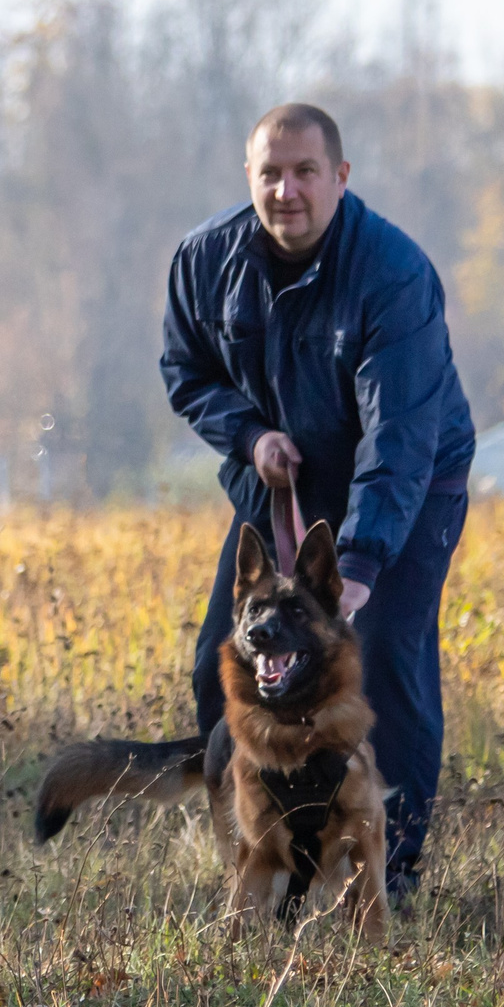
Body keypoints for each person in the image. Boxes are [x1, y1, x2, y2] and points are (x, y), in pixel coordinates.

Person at [160, 102, 474, 905]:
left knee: (379, 659)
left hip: (406, 486)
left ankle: (387, 874)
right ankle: (267, 864)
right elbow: (185, 370)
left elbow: (398, 439)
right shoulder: (205, 262)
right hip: (283, 484)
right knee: (219, 667)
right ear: (249, 178)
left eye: (305, 172)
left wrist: (362, 563)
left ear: (340, 177)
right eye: (271, 172)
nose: (287, 189)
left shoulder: (392, 276)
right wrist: (249, 435)